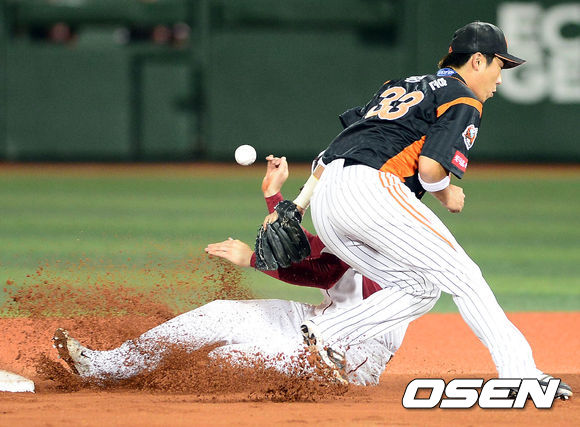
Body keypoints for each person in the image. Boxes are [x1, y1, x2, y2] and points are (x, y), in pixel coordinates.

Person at [276, 22, 571, 398]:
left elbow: (330, 153)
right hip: (372, 189)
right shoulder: (463, 97)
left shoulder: (399, 86)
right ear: (476, 61)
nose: (500, 78)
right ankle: (521, 374)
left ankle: (327, 334)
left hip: (328, 201)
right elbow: (431, 170)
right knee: (464, 276)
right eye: (499, 65)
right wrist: (447, 195)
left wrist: (298, 205)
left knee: (421, 287)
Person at [52, 156, 411, 386]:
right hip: (320, 323)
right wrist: (273, 196)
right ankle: (105, 367)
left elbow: (323, 271)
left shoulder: (384, 227)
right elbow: (305, 245)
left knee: (228, 359)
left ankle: (160, 388)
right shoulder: (354, 218)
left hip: (352, 354)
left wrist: (253, 259)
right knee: (219, 314)